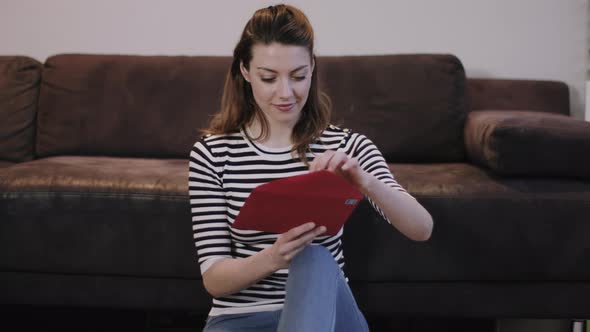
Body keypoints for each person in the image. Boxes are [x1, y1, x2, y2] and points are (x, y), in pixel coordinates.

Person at [188, 4, 433, 331]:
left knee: (314, 257)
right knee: (303, 255)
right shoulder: (212, 153)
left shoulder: (347, 148)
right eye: (269, 78)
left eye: (298, 76)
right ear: (245, 71)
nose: (285, 93)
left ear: (312, 68)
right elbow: (214, 280)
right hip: (240, 318)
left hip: (328, 316)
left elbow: (422, 228)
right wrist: (274, 256)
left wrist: (363, 180)